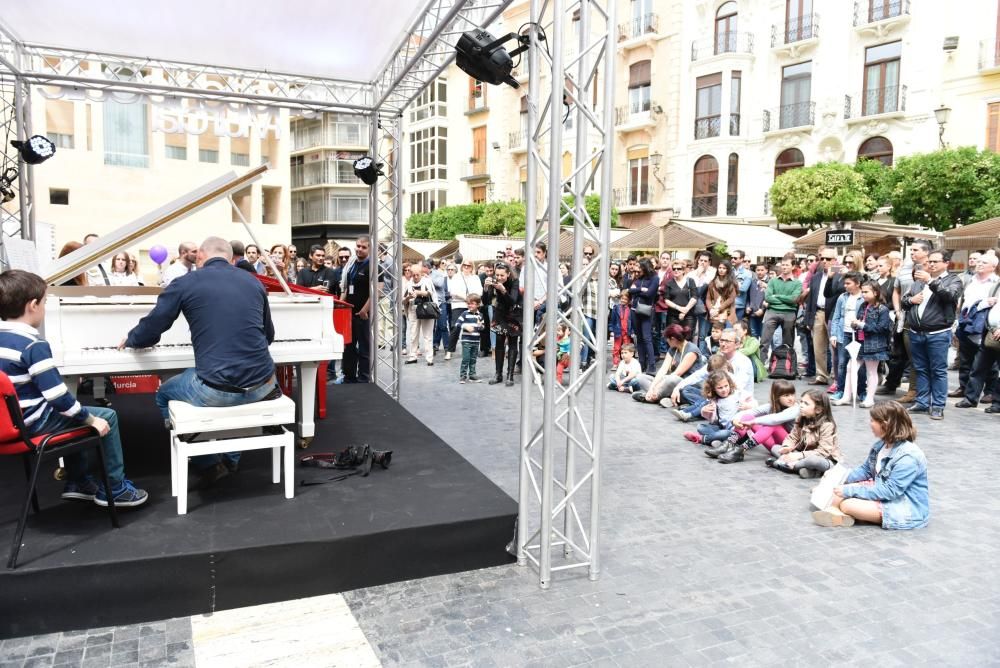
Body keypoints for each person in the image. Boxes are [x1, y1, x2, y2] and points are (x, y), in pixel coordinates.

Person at [121, 237, 282, 487]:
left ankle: (208, 463)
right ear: (231, 260)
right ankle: (231, 457)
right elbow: (268, 336)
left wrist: (132, 339)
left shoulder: (185, 282)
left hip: (218, 392)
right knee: (224, 382)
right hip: (265, 386)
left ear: (199, 257)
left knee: (164, 393)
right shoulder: (253, 282)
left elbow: (153, 327)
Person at [0, 270, 148, 507]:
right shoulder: (32, 345)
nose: (45, 307)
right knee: (103, 415)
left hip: (8, 422)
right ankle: (115, 488)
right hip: (32, 422)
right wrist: (89, 419)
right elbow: (58, 397)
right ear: (33, 305)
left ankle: (78, 482)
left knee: (71, 410)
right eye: (46, 302)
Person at [813, 401, 929, 529]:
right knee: (836, 491)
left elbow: (890, 491)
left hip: (903, 506)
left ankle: (840, 511)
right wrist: (839, 477)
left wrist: (849, 490)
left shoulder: (908, 457)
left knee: (848, 504)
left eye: (873, 420)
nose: (870, 424)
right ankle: (838, 514)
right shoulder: (880, 445)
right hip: (882, 490)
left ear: (886, 425)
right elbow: (866, 470)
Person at [900, 248, 963, 420]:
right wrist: (911, 300)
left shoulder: (953, 280)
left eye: (936, 261)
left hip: (938, 333)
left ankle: (937, 405)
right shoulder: (918, 282)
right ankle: (922, 402)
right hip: (916, 332)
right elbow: (904, 301)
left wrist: (930, 281)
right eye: (930, 261)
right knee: (920, 369)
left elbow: (949, 296)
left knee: (938, 371)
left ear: (946, 263)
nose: (932, 264)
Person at [706, 379, 799, 463]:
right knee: (747, 417)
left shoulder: (796, 408)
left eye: (792, 394)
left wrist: (754, 422)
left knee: (772, 424)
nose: (791, 398)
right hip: (775, 446)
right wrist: (734, 420)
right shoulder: (770, 407)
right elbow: (749, 413)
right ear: (777, 397)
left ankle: (740, 450)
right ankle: (728, 444)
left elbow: (775, 419)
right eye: (786, 395)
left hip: (792, 445)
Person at [952, 254, 999, 400]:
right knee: (965, 360)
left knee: (987, 363)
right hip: (967, 324)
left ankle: (989, 392)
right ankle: (965, 389)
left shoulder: (996, 283)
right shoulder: (970, 281)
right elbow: (963, 302)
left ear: (993, 266)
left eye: (984, 262)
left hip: (985, 327)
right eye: (978, 261)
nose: (979, 264)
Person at [768, 389, 841, 479]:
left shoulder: (827, 425)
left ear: (818, 409)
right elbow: (792, 437)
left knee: (813, 461)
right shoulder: (801, 418)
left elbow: (823, 452)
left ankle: (787, 465)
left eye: (806, 404)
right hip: (802, 455)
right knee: (775, 448)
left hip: (824, 459)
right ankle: (807, 470)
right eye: (801, 402)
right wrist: (786, 447)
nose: (801, 405)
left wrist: (798, 455)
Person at [843, 281, 892, 408]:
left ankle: (870, 398)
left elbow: (882, 328)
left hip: (874, 344)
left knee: (871, 371)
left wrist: (862, 325)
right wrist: (855, 324)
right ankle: (846, 396)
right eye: (863, 291)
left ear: (875, 293)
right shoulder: (863, 306)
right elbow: (860, 321)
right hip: (860, 343)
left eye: (866, 292)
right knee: (850, 368)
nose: (863, 294)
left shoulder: (883, 309)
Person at [631, 324, 703, 406]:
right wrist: (652, 388)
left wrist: (658, 387)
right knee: (641, 377)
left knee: (672, 379)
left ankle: (655, 397)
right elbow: (663, 370)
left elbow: (677, 373)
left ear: (672, 339)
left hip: (687, 385)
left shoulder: (692, 350)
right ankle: (658, 396)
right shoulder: (672, 349)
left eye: (667, 339)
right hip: (669, 383)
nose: (666, 342)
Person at [829, 272, 869, 405]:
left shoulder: (864, 298)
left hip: (858, 334)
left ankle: (861, 391)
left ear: (857, 284)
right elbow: (836, 316)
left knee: (860, 364)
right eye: (845, 283)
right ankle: (841, 390)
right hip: (843, 333)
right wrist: (834, 334)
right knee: (842, 363)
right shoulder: (842, 297)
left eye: (848, 283)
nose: (845, 286)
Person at [803, 246, 839, 387]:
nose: (824, 261)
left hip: (834, 314)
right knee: (818, 347)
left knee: (835, 347)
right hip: (818, 312)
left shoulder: (840, 274)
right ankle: (821, 375)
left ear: (835, 260)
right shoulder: (816, 276)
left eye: (828, 259)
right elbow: (811, 298)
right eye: (822, 258)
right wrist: (808, 318)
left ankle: (837, 377)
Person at [340, 236, 374, 384]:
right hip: (349, 312)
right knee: (349, 346)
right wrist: (341, 304)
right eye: (358, 246)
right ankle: (349, 376)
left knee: (364, 347)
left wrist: (364, 310)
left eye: (363, 247)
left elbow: (377, 292)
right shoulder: (352, 264)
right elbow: (347, 288)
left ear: (369, 249)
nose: (359, 249)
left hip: (363, 315)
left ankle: (364, 377)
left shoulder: (373, 266)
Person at [759, 254, 802, 363]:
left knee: (788, 342)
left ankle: (786, 365)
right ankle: (761, 364)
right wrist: (786, 300)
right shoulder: (773, 281)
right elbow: (768, 297)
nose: (784, 267)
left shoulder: (797, 283)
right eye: (783, 265)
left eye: (787, 265)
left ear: (793, 267)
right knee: (764, 340)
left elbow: (794, 299)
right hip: (772, 311)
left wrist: (777, 296)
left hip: (789, 313)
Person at [485, 262, 520, 386]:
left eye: (502, 275)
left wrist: (503, 290)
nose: (499, 278)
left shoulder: (515, 281)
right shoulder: (494, 280)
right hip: (499, 313)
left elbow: (512, 301)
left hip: (513, 313)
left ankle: (510, 375)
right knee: (499, 343)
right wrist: (487, 287)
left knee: (512, 343)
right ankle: (498, 374)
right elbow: (487, 300)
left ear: (508, 274)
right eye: (497, 275)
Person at [682, 370, 739, 446]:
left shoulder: (736, 395)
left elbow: (752, 404)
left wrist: (748, 405)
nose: (724, 390)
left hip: (735, 431)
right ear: (713, 389)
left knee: (725, 433)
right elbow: (713, 420)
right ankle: (718, 440)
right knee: (701, 427)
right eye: (720, 388)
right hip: (722, 427)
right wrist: (704, 411)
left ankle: (702, 439)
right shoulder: (715, 401)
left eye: (726, 386)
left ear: (729, 384)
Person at [445, 259, 484, 361]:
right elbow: (452, 291)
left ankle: (472, 349)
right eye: (464, 265)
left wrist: (470, 299)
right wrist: (465, 298)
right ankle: (449, 351)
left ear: (472, 267)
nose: (466, 267)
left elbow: (479, 292)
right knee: (455, 327)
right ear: (461, 266)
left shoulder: (475, 278)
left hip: (472, 305)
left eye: (469, 265)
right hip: (458, 304)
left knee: (474, 327)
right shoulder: (456, 277)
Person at [402, 262, 437, 366]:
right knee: (413, 335)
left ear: (421, 273)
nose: (416, 277)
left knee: (428, 336)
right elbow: (403, 301)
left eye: (418, 274)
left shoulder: (427, 281)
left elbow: (429, 292)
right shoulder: (408, 284)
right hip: (413, 310)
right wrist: (408, 297)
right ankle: (413, 356)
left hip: (427, 310)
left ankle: (429, 358)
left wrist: (418, 293)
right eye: (414, 275)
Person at [627, 258, 659, 374]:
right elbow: (630, 291)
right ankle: (641, 363)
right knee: (639, 339)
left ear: (646, 267)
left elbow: (650, 293)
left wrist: (637, 291)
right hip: (634, 310)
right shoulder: (638, 278)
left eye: (640, 267)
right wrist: (641, 289)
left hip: (646, 311)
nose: (637, 270)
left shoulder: (655, 278)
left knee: (647, 338)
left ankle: (651, 366)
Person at [660, 259, 697, 339]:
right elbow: (666, 299)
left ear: (683, 270)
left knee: (687, 338)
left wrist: (685, 310)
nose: (676, 270)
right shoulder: (669, 283)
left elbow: (694, 297)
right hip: (673, 316)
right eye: (674, 269)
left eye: (679, 268)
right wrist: (679, 308)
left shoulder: (690, 281)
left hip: (688, 316)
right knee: (673, 338)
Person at [456, 294, 485, 383]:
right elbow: (457, 324)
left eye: (472, 303)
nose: (470, 305)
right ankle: (463, 376)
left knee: (473, 359)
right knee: (466, 358)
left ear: (478, 304)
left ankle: (472, 375)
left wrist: (480, 326)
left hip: (476, 341)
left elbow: (483, 327)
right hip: (466, 341)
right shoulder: (465, 314)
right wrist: (465, 326)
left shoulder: (480, 315)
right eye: (468, 303)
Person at [705, 260, 738, 326]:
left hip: (728, 311)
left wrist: (718, 309)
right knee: (716, 332)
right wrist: (711, 309)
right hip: (714, 312)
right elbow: (708, 298)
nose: (721, 270)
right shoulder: (712, 283)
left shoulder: (732, 283)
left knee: (727, 332)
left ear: (728, 270)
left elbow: (731, 299)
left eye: (724, 268)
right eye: (720, 268)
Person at [610, 292, 634, 366]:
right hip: (618, 331)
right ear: (620, 299)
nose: (623, 300)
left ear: (628, 300)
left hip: (627, 331)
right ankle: (616, 363)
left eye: (625, 299)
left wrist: (632, 331)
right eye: (622, 299)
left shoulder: (630, 309)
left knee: (627, 347)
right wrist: (611, 330)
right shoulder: (616, 308)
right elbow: (612, 320)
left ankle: (626, 363)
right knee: (616, 348)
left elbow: (632, 321)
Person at [745, 263, 768, 339]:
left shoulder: (770, 283)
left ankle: (762, 351)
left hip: (764, 314)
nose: (760, 272)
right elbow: (748, 296)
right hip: (752, 313)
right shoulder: (752, 282)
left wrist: (762, 309)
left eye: (762, 270)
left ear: (766, 271)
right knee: (753, 334)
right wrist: (747, 306)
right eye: (758, 270)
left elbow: (769, 298)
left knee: (763, 335)